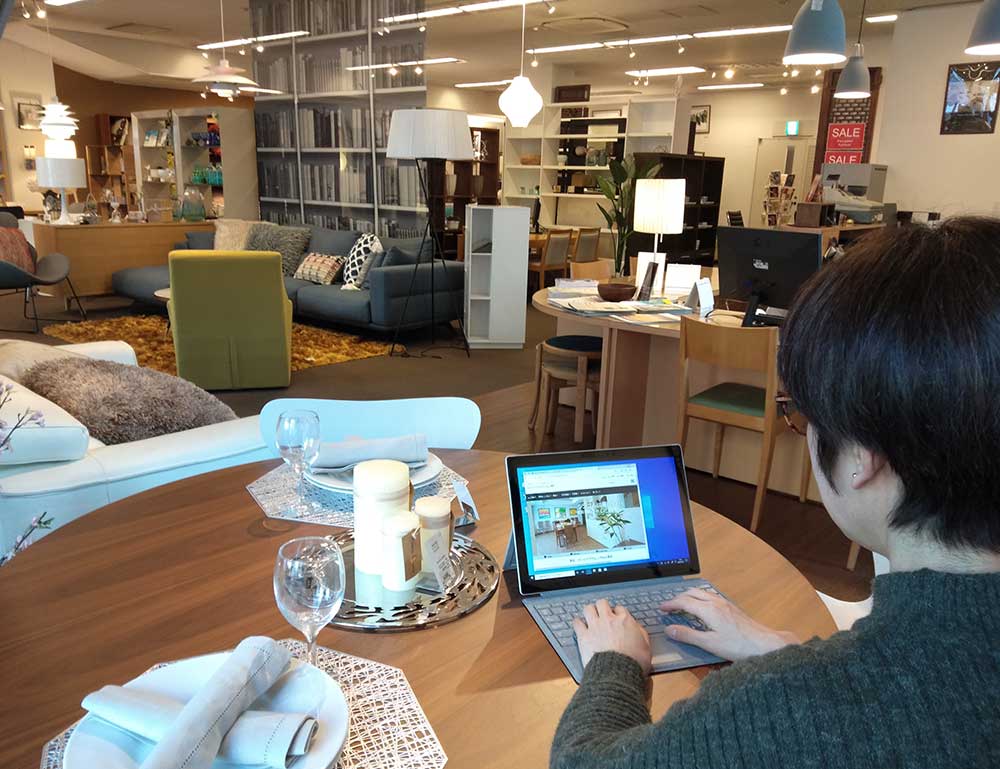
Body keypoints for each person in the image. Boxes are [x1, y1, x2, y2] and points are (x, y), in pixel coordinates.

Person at [550, 217, 1000, 768]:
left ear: (861, 457)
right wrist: (777, 646)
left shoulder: (779, 711)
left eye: (801, 414)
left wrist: (615, 664)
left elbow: (583, 762)